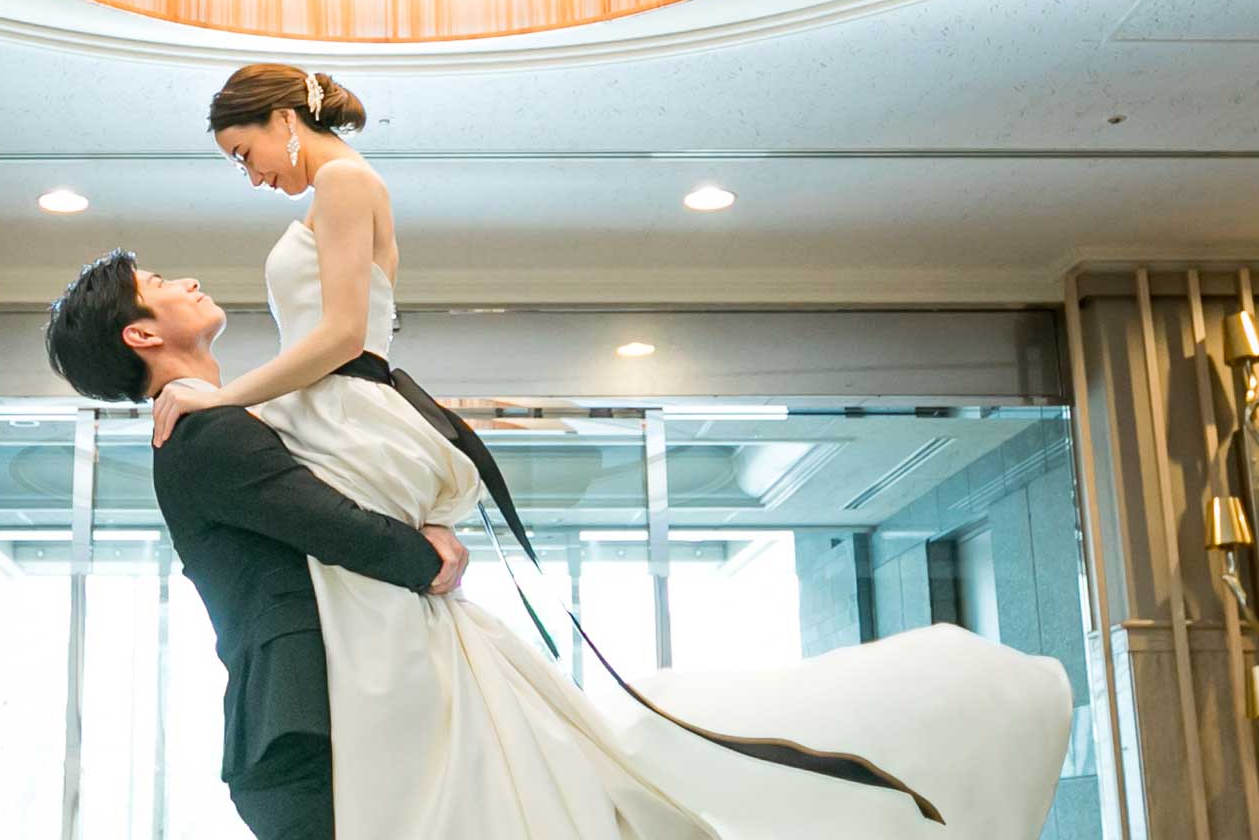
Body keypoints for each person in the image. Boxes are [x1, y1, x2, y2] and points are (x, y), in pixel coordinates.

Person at [133, 63, 1073, 840]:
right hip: (332, 404)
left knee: (378, 602)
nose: (250, 175)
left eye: (244, 153)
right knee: (387, 616)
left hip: (345, 402)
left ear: (284, 119)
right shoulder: (340, 189)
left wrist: (226, 394)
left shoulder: (345, 182)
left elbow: (343, 335)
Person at [44, 250, 471, 840]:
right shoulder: (204, 434)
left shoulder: (215, 423)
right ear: (141, 334)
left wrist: (432, 523)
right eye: (160, 283)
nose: (190, 279)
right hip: (303, 728)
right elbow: (335, 525)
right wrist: (431, 557)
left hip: (310, 724)